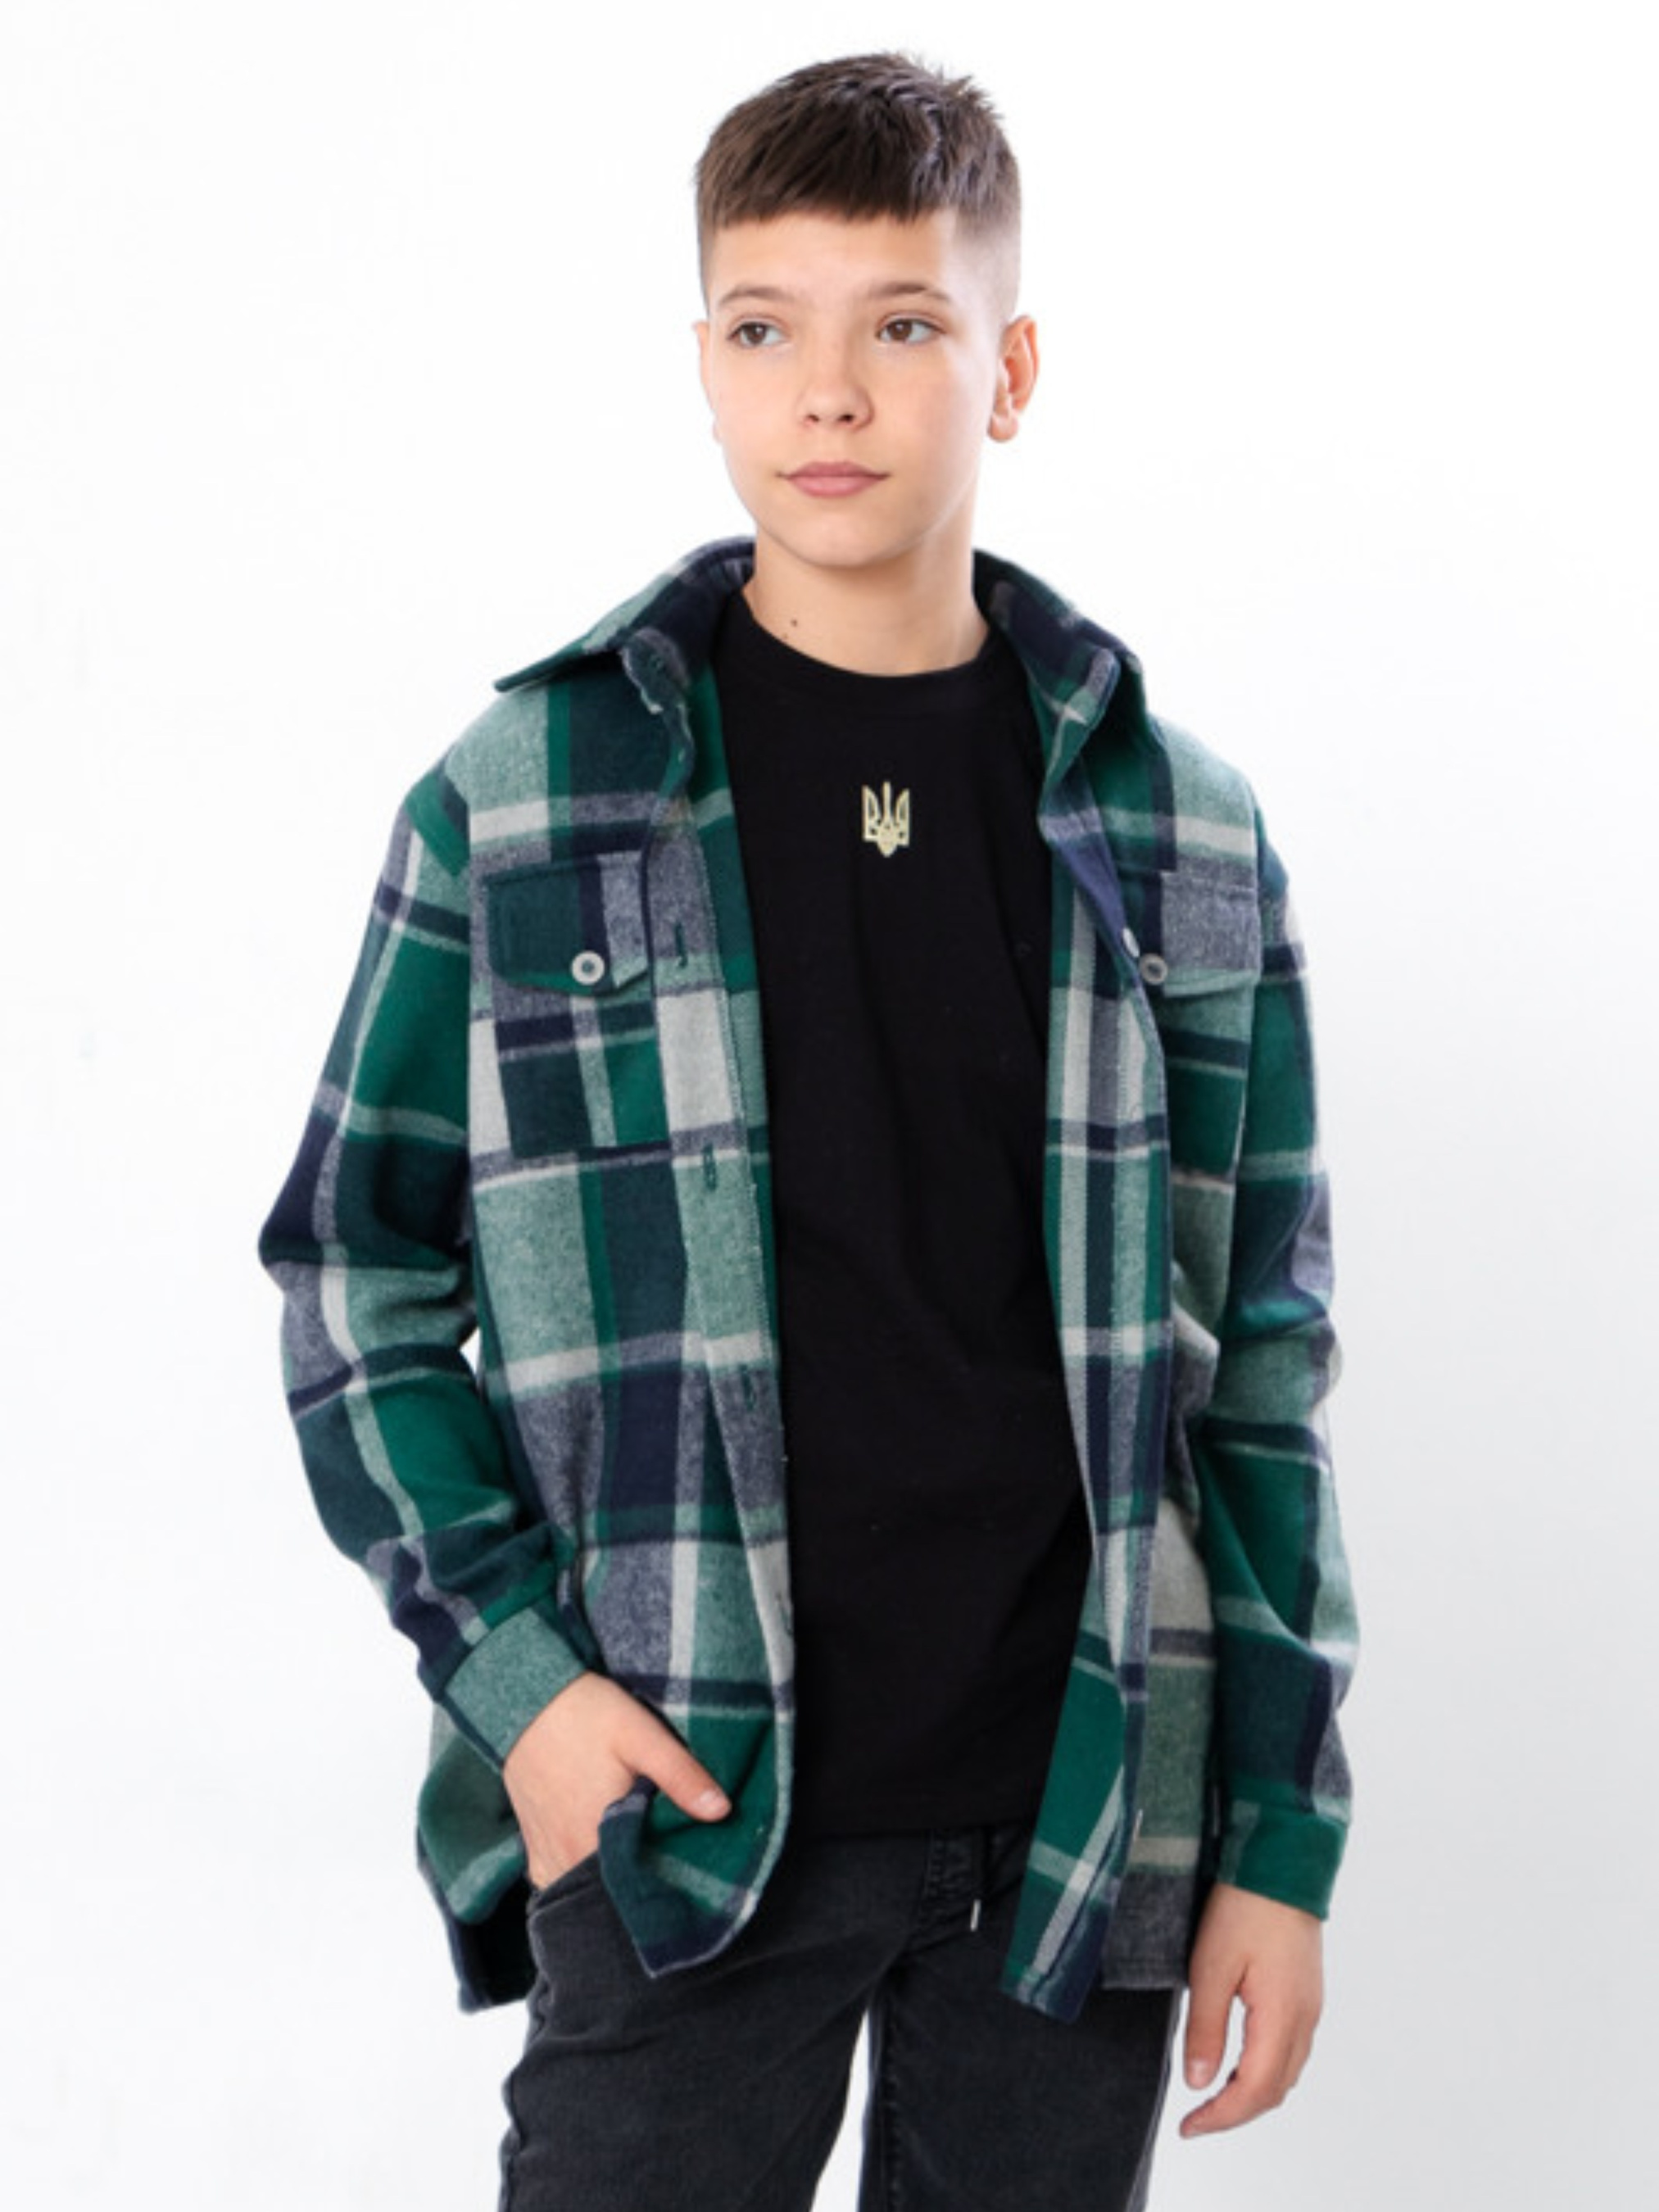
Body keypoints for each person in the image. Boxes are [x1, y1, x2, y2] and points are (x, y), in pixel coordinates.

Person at [261, 52, 1357, 2212]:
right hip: (679, 1795)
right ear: (703, 363)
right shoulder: (524, 797)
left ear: (1009, 368)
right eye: (766, 327)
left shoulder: (1186, 832)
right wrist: (528, 1690)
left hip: (1075, 1823)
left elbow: (1260, 1365)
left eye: (903, 324)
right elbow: (354, 1276)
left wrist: (1280, 1836)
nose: (828, 392)